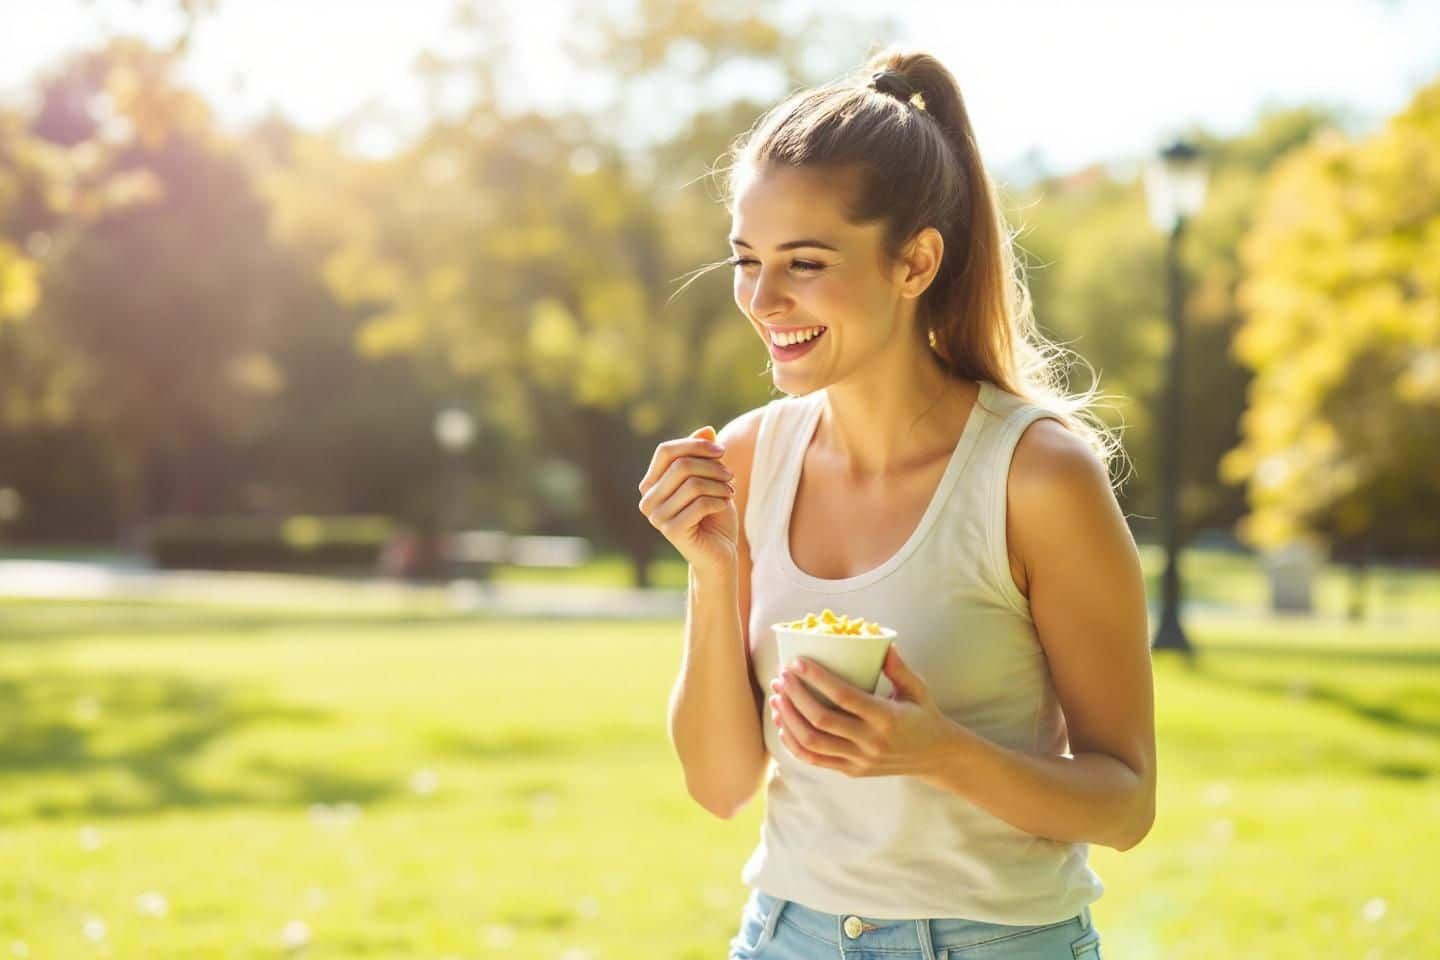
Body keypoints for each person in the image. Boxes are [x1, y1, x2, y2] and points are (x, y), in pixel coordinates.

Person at [636, 47, 1152, 960]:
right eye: (747, 261)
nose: (763, 299)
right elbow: (720, 787)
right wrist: (712, 570)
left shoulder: (1035, 477)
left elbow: (1126, 803)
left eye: (804, 262)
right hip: (786, 933)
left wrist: (937, 752)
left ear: (915, 262)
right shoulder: (749, 459)